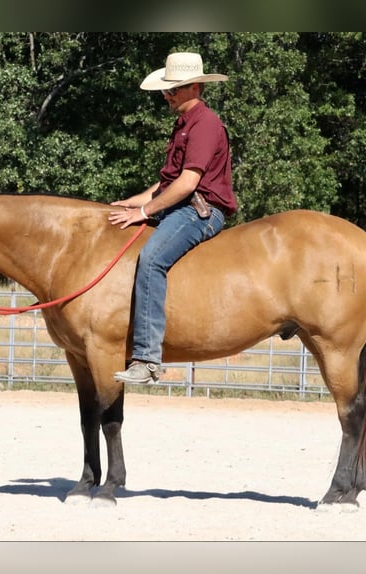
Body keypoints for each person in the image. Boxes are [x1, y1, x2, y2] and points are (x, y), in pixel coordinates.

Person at [108, 51, 238, 384]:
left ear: (195, 87)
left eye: (174, 89)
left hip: (201, 212)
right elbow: (166, 183)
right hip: (180, 205)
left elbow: (188, 182)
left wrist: (142, 212)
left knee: (150, 260)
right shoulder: (183, 123)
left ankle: (148, 359)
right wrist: (130, 204)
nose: (167, 95)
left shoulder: (206, 124)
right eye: (167, 89)